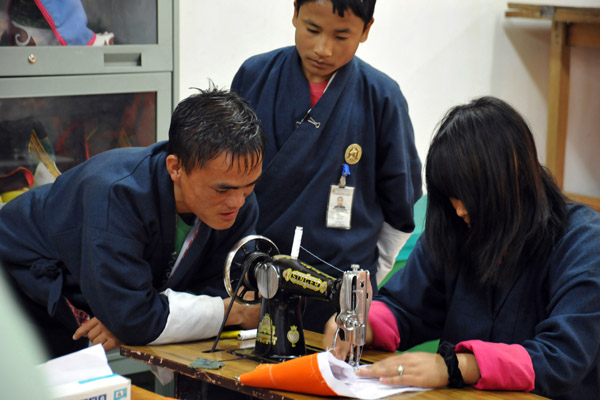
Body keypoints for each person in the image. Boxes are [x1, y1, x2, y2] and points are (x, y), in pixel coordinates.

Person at [324, 96, 600, 399]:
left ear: (512, 178)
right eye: (450, 194)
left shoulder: (584, 242)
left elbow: (562, 357)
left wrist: (456, 367)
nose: (457, 209)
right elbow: (406, 305)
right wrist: (360, 326)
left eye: (467, 193)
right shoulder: (457, 227)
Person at [0, 86, 265, 359]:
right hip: (18, 282)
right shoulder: (114, 192)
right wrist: (235, 312)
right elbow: (135, 318)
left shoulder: (237, 200)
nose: (237, 202)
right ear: (176, 168)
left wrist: (132, 317)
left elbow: (226, 286)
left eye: (249, 186)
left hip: (89, 293)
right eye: (222, 190)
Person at [231, 0, 422, 333]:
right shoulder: (254, 76)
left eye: (341, 36)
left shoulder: (382, 97)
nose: (323, 49)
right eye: (312, 29)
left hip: (338, 297)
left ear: (366, 30)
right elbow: (223, 179)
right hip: (254, 279)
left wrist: (368, 280)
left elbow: (400, 208)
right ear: (294, 13)